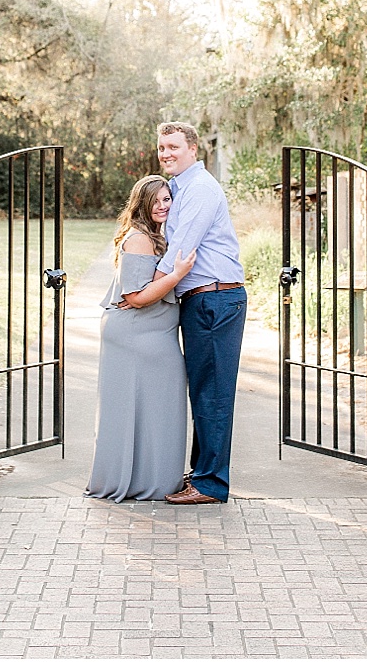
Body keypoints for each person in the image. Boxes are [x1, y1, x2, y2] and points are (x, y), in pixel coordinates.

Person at [86, 175, 196, 501]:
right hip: (137, 335)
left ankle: (154, 477)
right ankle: (144, 481)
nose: (162, 206)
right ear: (142, 203)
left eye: (167, 200)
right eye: (156, 201)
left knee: (156, 405)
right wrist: (177, 275)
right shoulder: (139, 239)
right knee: (142, 405)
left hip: (151, 333)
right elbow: (134, 296)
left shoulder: (156, 235)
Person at [155, 121, 247, 505]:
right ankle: (203, 473)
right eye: (162, 147)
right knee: (204, 391)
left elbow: (181, 251)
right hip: (203, 299)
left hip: (214, 300)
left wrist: (141, 296)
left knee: (212, 394)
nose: (166, 153)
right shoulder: (179, 188)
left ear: (193, 149)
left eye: (173, 146)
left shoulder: (201, 189)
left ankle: (210, 485)